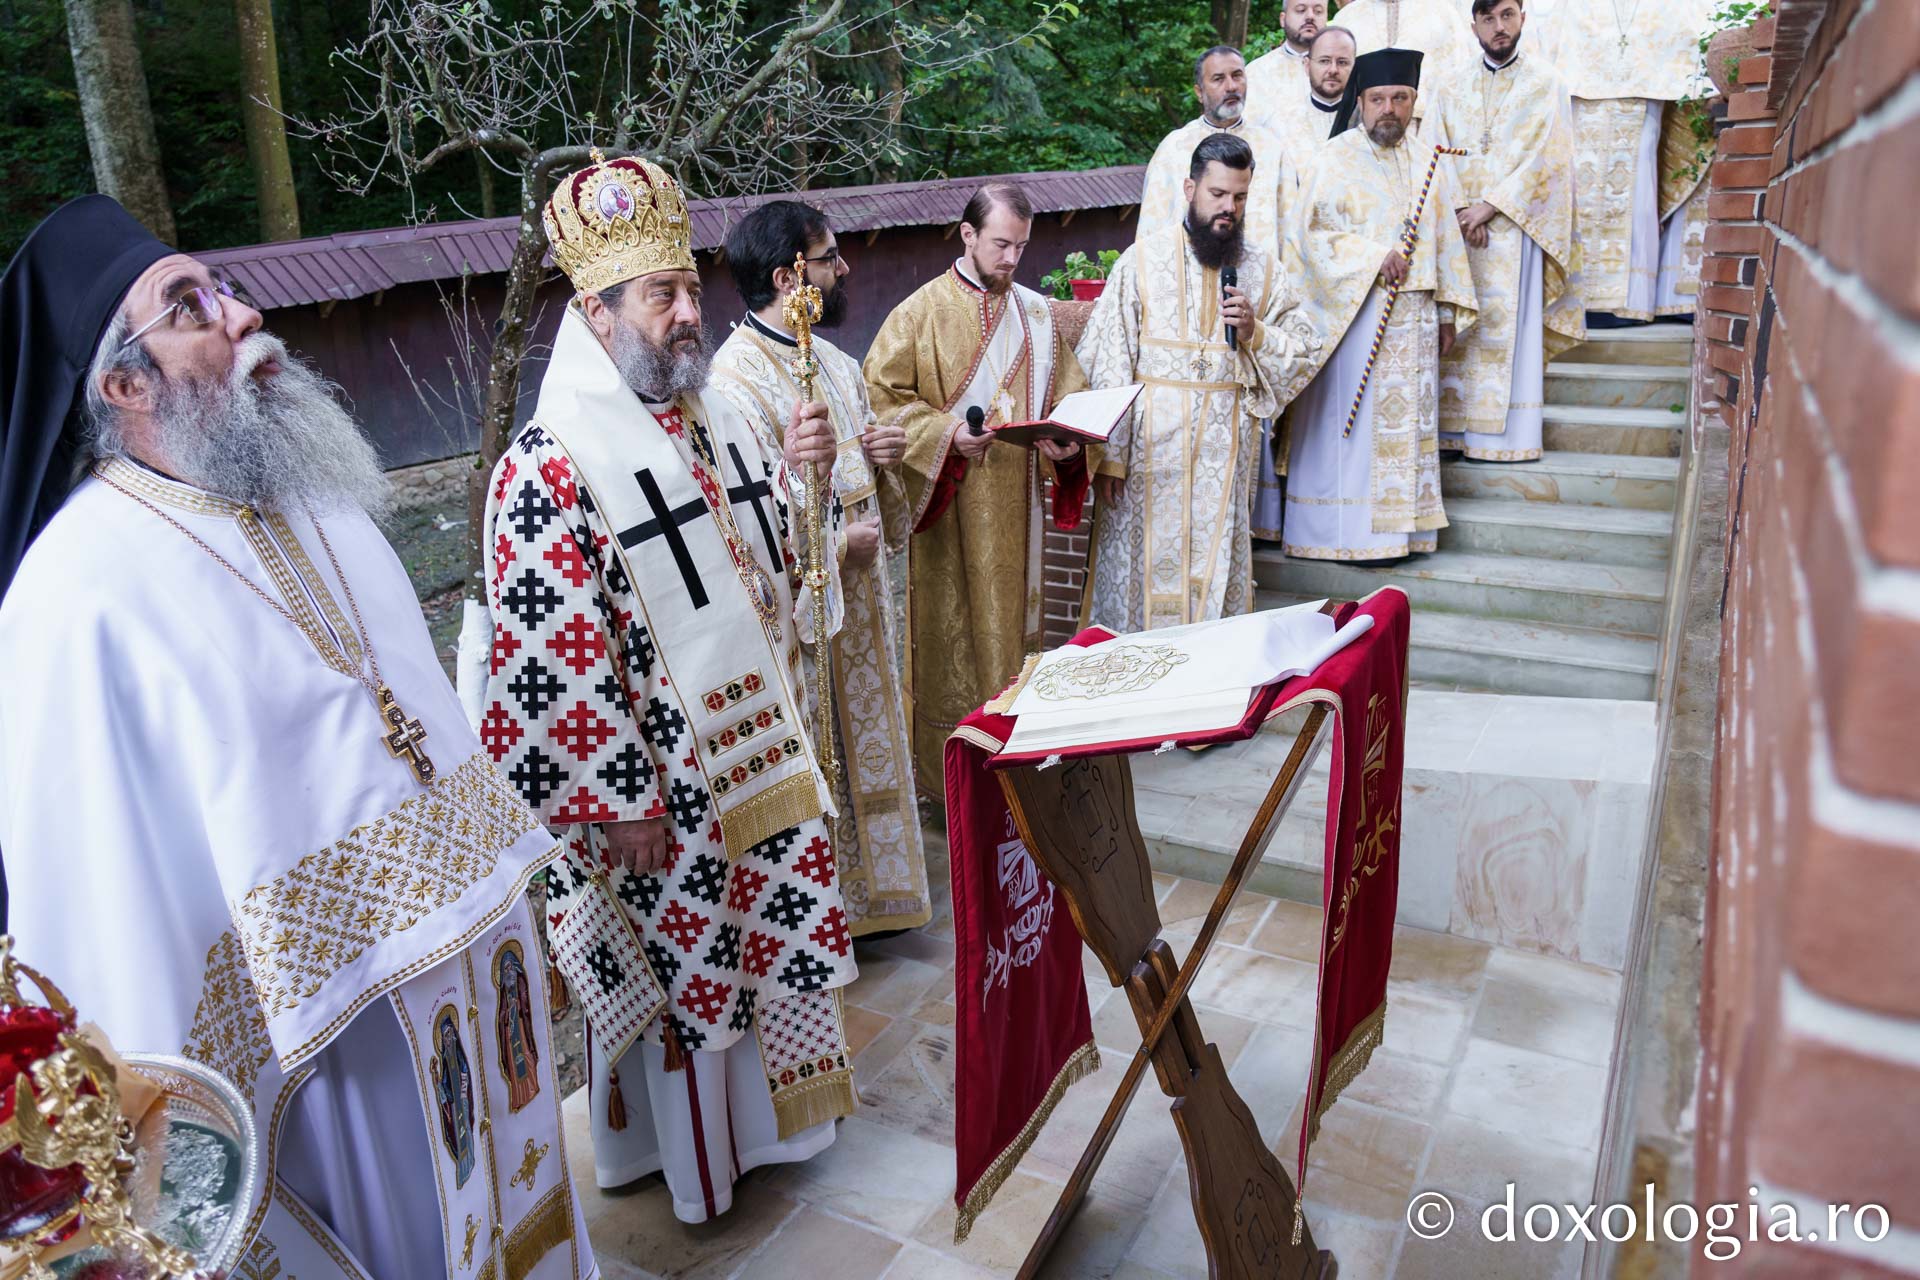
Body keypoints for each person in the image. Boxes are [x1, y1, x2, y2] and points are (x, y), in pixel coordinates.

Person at [0, 196, 593, 1280]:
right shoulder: (75, 595)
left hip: (474, 981)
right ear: (121, 383)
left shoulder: (312, 491)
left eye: (219, 286)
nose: (241, 311)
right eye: (191, 307)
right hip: (329, 1068)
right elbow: (102, 904)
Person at [479, 154, 859, 1221]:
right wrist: (618, 798)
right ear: (596, 314)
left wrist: (798, 479)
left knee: (762, 949)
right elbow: (549, 651)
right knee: (690, 979)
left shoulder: (715, 417)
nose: (687, 312)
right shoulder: (549, 463)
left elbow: (769, 572)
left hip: (754, 762)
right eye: (661, 296)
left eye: (690, 289)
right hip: (663, 797)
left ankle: (781, 1128)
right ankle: (697, 1169)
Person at [708, 201, 931, 936]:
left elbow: (855, 476)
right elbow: (742, 517)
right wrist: (836, 550)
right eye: (830, 257)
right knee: (824, 736)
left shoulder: (834, 361)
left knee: (870, 730)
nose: (845, 268)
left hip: (865, 599)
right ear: (787, 276)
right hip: (807, 611)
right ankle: (832, 911)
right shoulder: (732, 382)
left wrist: (880, 457)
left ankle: (880, 897)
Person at [862, 182, 1090, 802]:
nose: (1012, 259)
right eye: (999, 244)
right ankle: (954, 783)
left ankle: (1018, 762)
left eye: (1020, 246)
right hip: (951, 514)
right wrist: (944, 436)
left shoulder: (1038, 316)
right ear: (967, 235)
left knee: (1018, 637)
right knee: (954, 637)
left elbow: (1068, 392)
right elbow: (881, 402)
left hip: (1022, 510)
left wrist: (1064, 440)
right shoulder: (918, 313)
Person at [1080, 133, 1321, 631]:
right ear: (1190, 188)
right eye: (1217, 195)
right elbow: (1108, 362)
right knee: (1135, 589)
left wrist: (1256, 333)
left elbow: (1305, 351)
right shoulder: (1141, 263)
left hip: (1222, 461)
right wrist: (1109, 458)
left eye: (1239, 197)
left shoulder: (1262, 270)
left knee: (1212, 589)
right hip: (1145, 465)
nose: (1228, 208)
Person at [1282, 48, 1478, 561]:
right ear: (1360, 102)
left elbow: (1446, 241)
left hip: (1413, 320)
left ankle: (1401, 535)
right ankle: (1343, 537)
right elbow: (1310, 234)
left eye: (1399, 97)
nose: (1388, 108)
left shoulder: (1429, 160)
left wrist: (1446, 311)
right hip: (1355, 317)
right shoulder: (1334, 158)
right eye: (1377, 99)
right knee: (1355, 426)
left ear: (1413, 101)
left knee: (1406, 428)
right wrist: (1374, 257)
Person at [1429, 0, 1583, 460]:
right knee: (1457, 323)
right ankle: (1452, 432)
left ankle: (1509, 441)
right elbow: (1432, 149)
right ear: (1473, 24)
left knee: (1508, 330)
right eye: (1489, 18)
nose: (1500, 27)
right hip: (1457, 234)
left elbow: (1551, 157)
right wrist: (1460, 209)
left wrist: (1489, 207)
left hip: (1516, 229)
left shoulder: (1548, 82)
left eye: (1508, 15)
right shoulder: (1448, 84)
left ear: (1523, 17)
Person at [1525, 0, 1716, 322]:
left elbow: (1691, 40)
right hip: (1580, 106)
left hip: (1643, 103)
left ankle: (1631, 302)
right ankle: (1579, 303)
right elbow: (1548, 47)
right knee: (1579, 195)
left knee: (1638, 194)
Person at [1136, 46, 1293, 251]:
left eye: (1237, 76)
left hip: (1255, 275)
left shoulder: (1272, 149)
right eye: (1218, 79)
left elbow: (1290, 232)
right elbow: (1152, 229)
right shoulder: (1173, 149)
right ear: (1199, 92)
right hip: (1187, 276)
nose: (1231, 86)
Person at [1329, 0, 1476, 117]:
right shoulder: (1346, 18)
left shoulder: (1443, 13)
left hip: (1427, 130)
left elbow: (1461, 77)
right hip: (1362, 133)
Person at [1244, 0, 1328, 130]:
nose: (1310, 16)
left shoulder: (1342, 70)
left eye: (1318, 11)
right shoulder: (1256, 73)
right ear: (1283, 19)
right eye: (1301, 10)